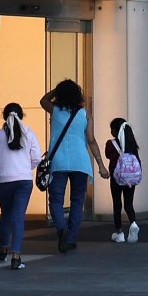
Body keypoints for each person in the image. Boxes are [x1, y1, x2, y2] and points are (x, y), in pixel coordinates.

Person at [39, 79, 107, 253]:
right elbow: (91, 140)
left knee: (55, 199)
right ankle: (70, 239)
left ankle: (61, 228)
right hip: (80, 162)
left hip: (59, 162)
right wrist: (100, 164)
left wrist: (57, 90)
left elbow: (43, 100)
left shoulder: (55, 111)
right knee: (77, 201)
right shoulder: (85, 114)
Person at [0, 102, 40, 270]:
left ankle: (2, 248)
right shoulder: (29, 134)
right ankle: (16, 255)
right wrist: (25, 168)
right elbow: (36, 157)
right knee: (18, 216)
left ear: (3, 116)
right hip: (23, 181)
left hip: (4, 180)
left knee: (6, 215)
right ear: (21, 116)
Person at [104, 117, 142, 244]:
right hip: (130, 179)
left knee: (117, 205)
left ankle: (119, 233)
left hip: (116, 178)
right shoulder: (132, 145)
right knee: (129, 204)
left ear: (115, 131)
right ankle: (133, 223)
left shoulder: (111, 144)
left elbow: (108, 155)